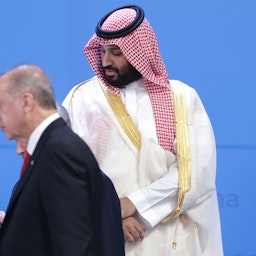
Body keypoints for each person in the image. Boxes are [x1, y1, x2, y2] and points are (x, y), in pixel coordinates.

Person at [63, 5, 223, 256]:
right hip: (102, 234)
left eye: (116, 52)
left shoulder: (181, 98)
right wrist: (111, 213)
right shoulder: (81, 98)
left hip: (169, 237)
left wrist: (134, 206)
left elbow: (194, 172)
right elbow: (69, 170)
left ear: (140, 51)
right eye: (102, 51)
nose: (106, 61)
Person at [0, 64, 124, 256]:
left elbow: (72, 245)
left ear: (26, 102)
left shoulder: (59, 151)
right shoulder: (49, 148)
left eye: (1, 105)